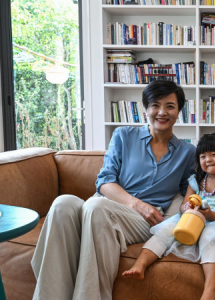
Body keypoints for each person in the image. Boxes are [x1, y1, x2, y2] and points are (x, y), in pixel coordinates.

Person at [31, 80, 196, 300]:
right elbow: (105, 181)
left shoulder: (188, 152)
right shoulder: (123, 135)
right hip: (110, 205)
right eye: (155, 105)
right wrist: (138, 204)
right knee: (63, 204)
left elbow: (190, 190)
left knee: (96, 206)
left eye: (170, 106)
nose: (162, 112)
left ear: (179, 111)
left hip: (142, 221)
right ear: (145, 108)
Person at [122, 133, 215, 300]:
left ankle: (210, 290)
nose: (208, 159)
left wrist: (209, 214)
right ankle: (140, 265)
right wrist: (189, 208)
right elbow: (183, 207)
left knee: (211, 239)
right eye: (203, 156)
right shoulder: (195, 181)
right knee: (166, 230)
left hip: (214, 221)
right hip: (190, 218)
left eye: (214, 154)